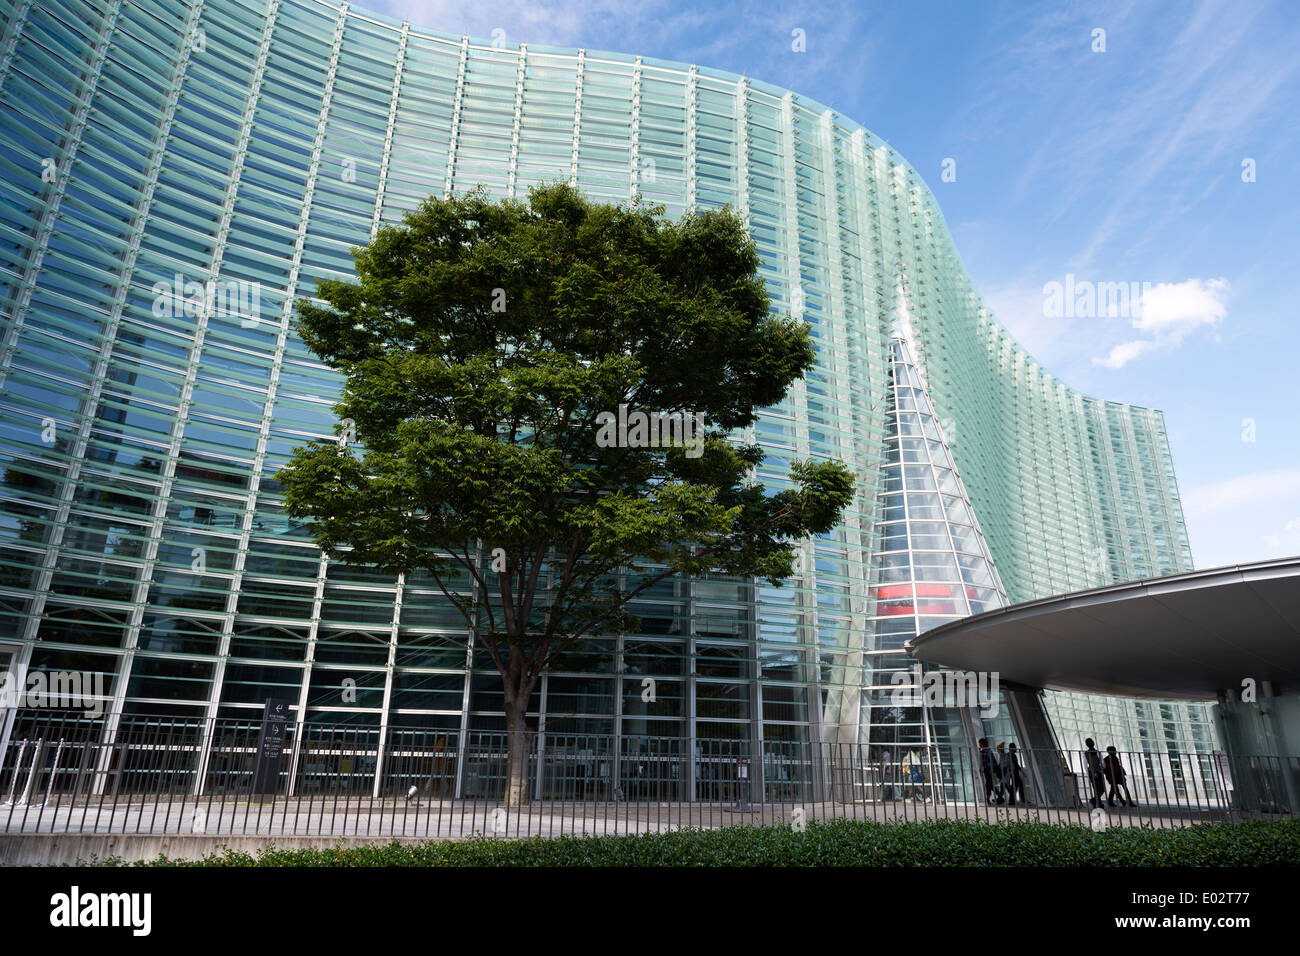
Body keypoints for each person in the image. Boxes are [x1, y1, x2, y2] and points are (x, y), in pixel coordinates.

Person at [978, 737, 1003, 805]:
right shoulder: (982, 751)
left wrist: (991, 769)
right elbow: (981, 761)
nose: (979, 745)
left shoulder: (988, 751)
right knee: (989, 784)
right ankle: (999, 796)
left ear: (983, 744)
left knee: (988, 784)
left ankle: (988, 798)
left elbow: (992, 761)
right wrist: (981, 769)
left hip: (989, 769)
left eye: (980, 744)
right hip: (986, 769)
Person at [1084, 738, 1107, 808]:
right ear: (1093, 743)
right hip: (1098, 772)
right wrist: (1102, 769)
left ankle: (1097, 803)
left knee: (1096, 788)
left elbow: (1085, 765)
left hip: (1091, 772)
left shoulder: (1085, 753)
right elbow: (1103, 763)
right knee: (1102, 788)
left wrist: (1088, 774)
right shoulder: (1097, 752)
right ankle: (1095, 801)